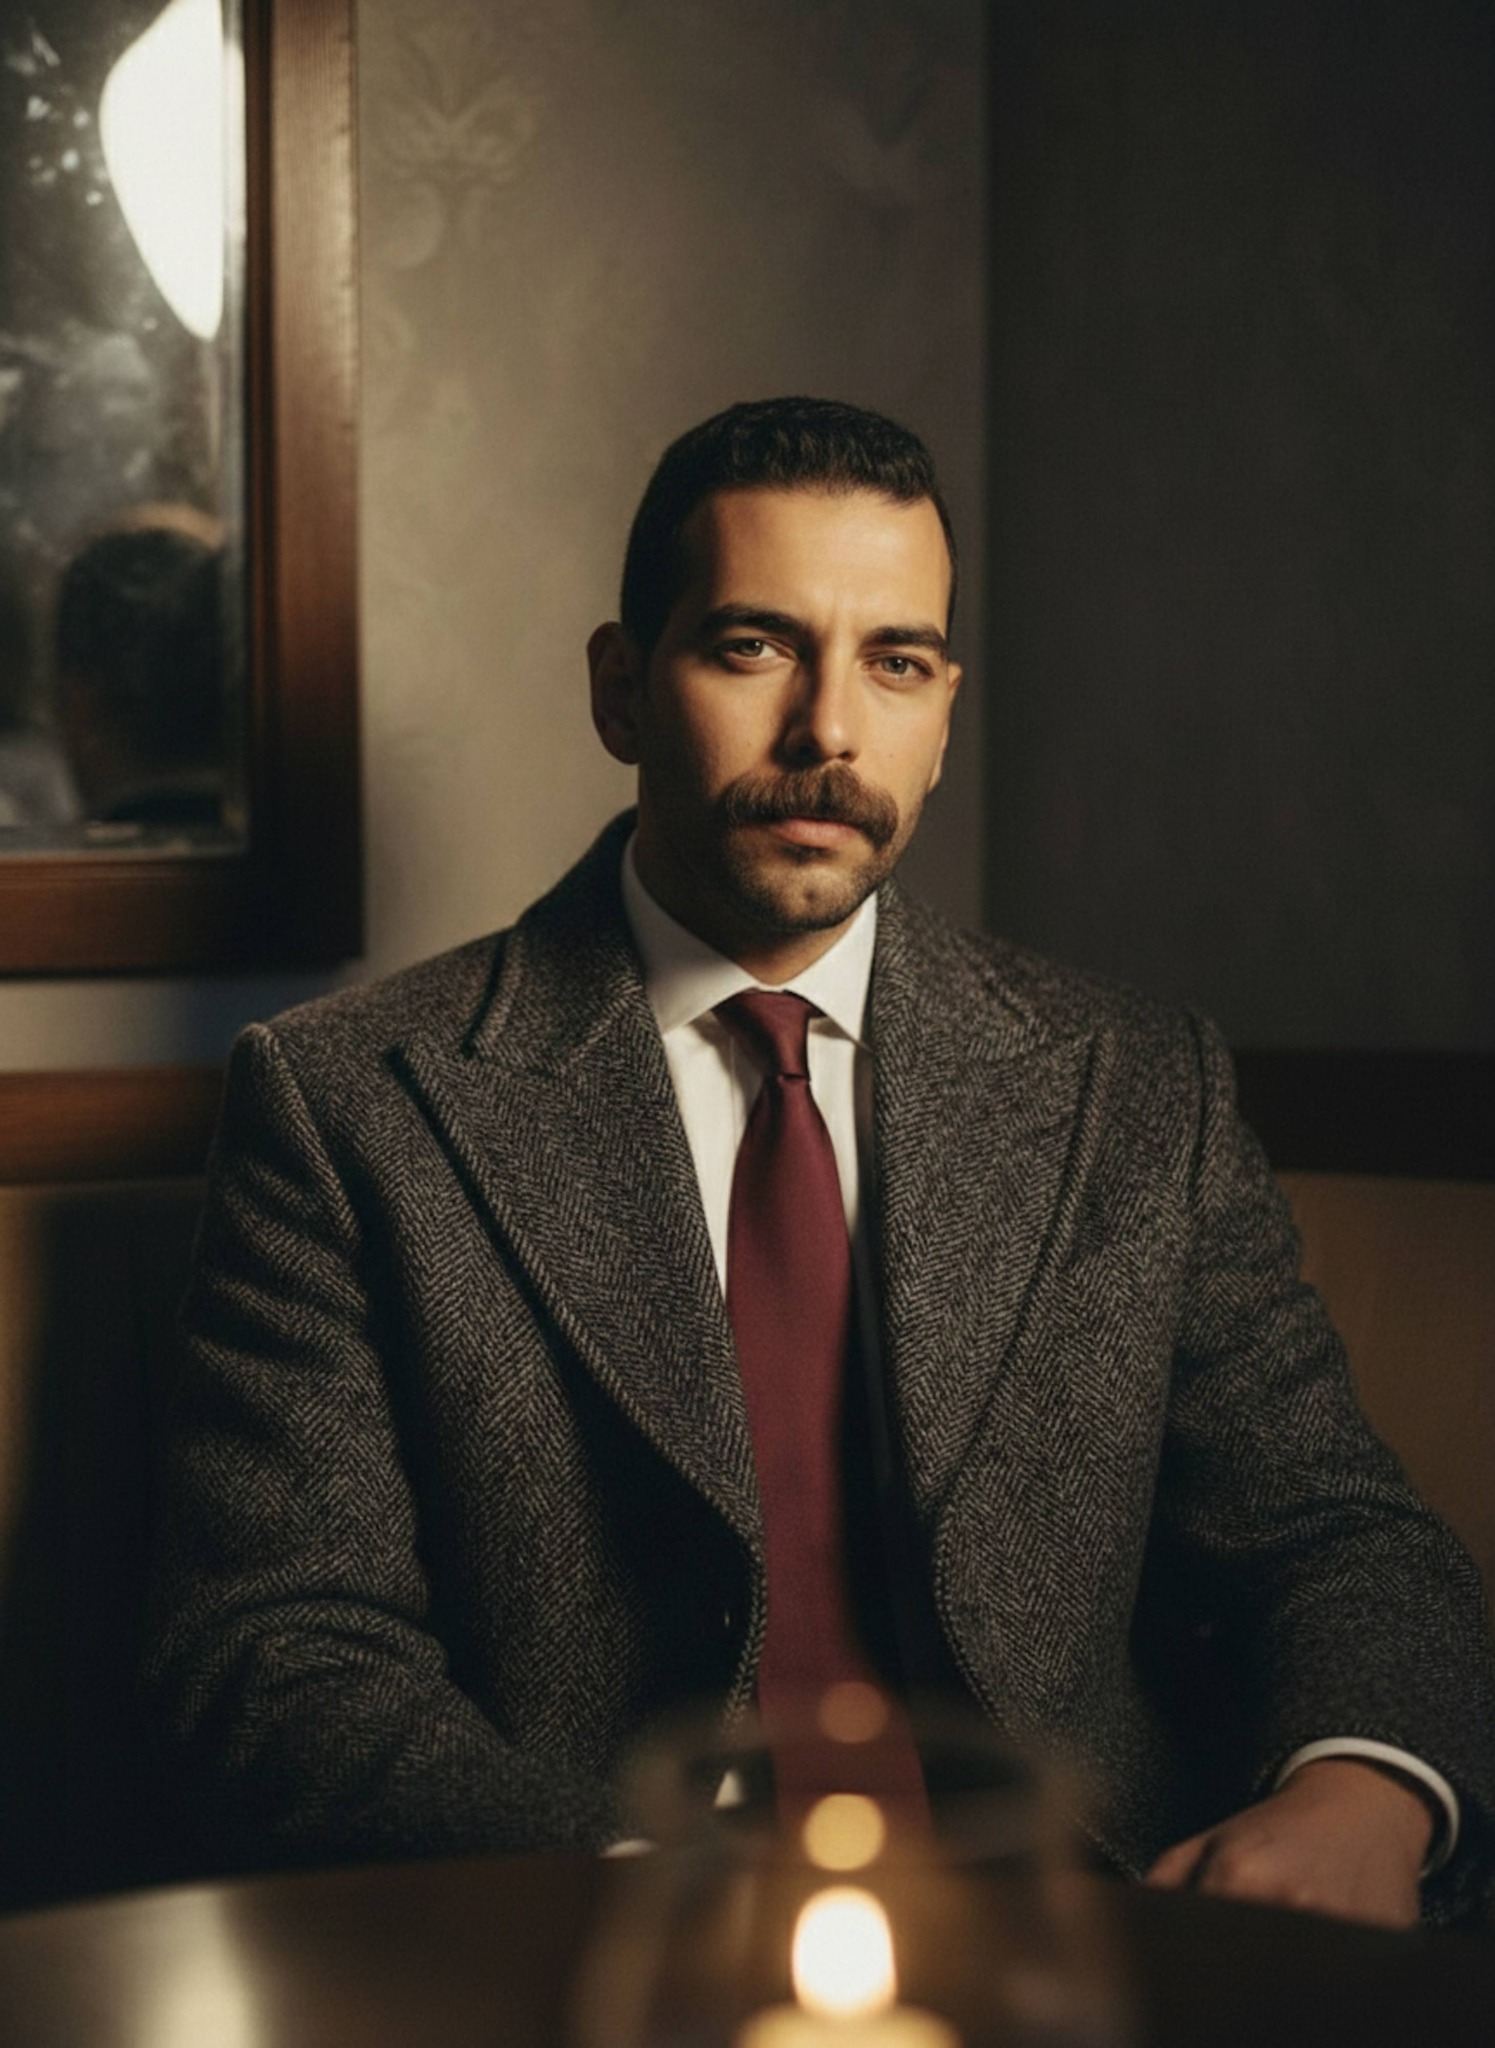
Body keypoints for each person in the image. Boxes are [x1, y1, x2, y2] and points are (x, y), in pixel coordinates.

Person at [145, 398, 1494, 1927]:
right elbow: (275, 1648)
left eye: (895, 663)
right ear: (620, 690)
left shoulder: (1135, 1085)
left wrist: (1362, 1792)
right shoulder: (348, 1104)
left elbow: (1333, 1530)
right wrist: (655, 1897)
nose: (828, 732)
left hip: (1098, 1932)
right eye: (753, 645)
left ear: (942, 711)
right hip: (612, 1955)